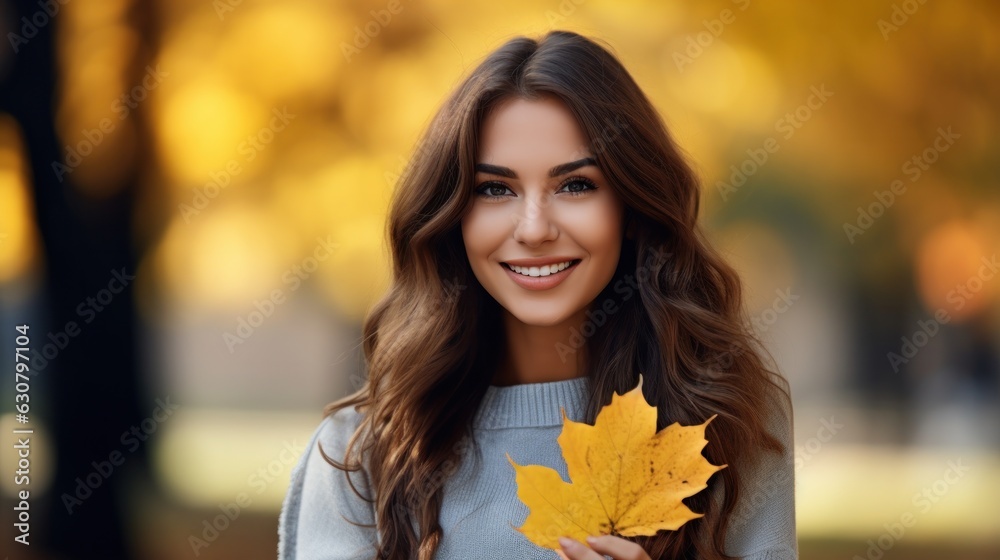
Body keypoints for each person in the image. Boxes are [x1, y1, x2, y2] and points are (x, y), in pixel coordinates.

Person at [278, 30, 797, 560]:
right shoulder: (359, 455)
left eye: (575, 185)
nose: (533, 229)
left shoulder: (728, 421)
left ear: (633, 209)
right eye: (495, 189)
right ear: (453, 215)